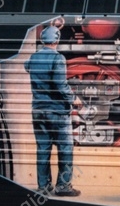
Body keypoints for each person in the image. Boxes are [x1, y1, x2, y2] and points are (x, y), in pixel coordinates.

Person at [24, 26, 83, 197]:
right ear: (56, 40)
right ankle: (63, 187)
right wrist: (74, 99)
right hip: (56, 112)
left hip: (38, 111)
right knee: (65, 149)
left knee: (43, 149)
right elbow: (60, 85)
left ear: (43, 40)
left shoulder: (33, 57)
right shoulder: (58, 59)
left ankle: (44, 187)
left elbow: (26, 66)